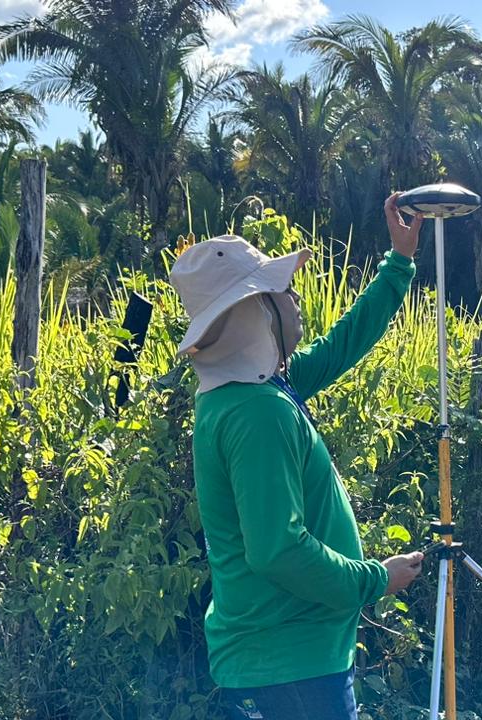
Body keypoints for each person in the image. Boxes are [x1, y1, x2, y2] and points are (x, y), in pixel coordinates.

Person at [168, 194, 427, 720]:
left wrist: (398, 264)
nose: (292, 301)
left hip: (286, 660)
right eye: (278, 290)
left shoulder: (251, 392)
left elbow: (339, 347)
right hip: (291, 668)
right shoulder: (257, 414)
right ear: (253, 310)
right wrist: (374, 579)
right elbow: (276, 550)